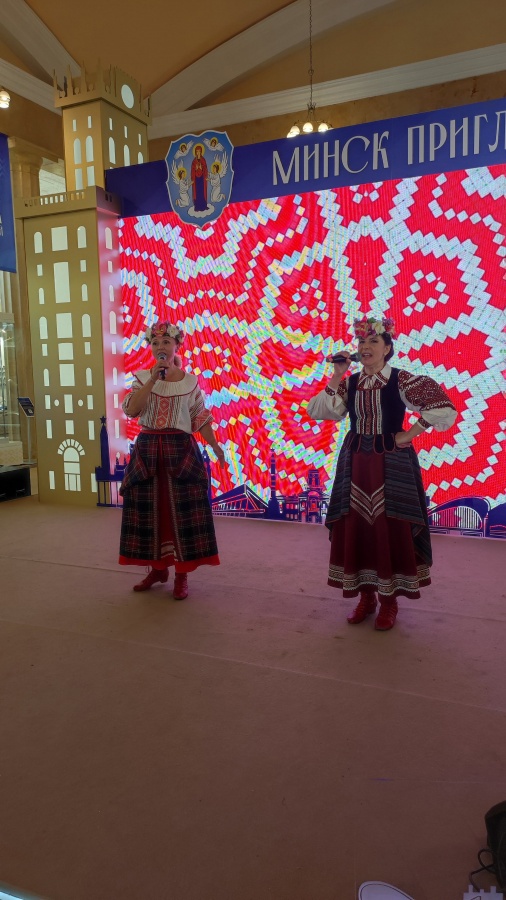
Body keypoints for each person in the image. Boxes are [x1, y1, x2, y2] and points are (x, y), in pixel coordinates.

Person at [307, 316, 457, 631]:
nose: (366, 347)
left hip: (392, 462)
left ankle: (389, 602)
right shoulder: (350, 382)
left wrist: (410, 433)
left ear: (387, 348)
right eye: (362, 342)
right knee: (357, 525)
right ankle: (366, 597)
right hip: (356, 462)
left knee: (390, 527)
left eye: (373, 341)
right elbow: (319, 411)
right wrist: (337, 374)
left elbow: (443, 407)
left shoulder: (400, 380)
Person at [119, 321, 225, 599]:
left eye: (166, 342)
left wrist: (216, 446)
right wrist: (153, 380)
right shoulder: (143, 378)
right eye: (155, 343)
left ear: (177, 345)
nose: (160, 347)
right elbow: (132, 409)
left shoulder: (190, 382)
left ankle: (181, 574)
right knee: (151, 513)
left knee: (181, 513)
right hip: (148, 450)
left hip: (180, 449)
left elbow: (200, 417)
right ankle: (157, 569)